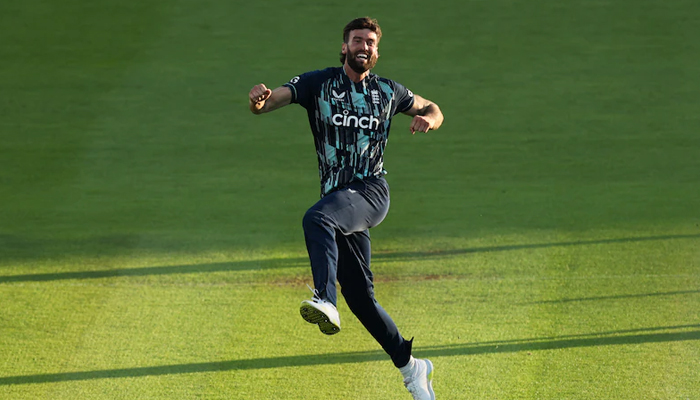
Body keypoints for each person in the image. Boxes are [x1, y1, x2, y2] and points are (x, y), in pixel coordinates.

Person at [248, 17, 443, 400]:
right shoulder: (317, 83)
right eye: (357, 40)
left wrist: (430, 121)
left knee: (316, 218)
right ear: (344, 48)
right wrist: (259, 100)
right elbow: (274, 100)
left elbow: (433, 106)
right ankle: (412, 367)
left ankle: (324, 298)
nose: (363, 47)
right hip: (340, 199)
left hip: (370, 191)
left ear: (376, 51)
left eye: (370, 42)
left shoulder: (389, 92)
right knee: (361, 298)